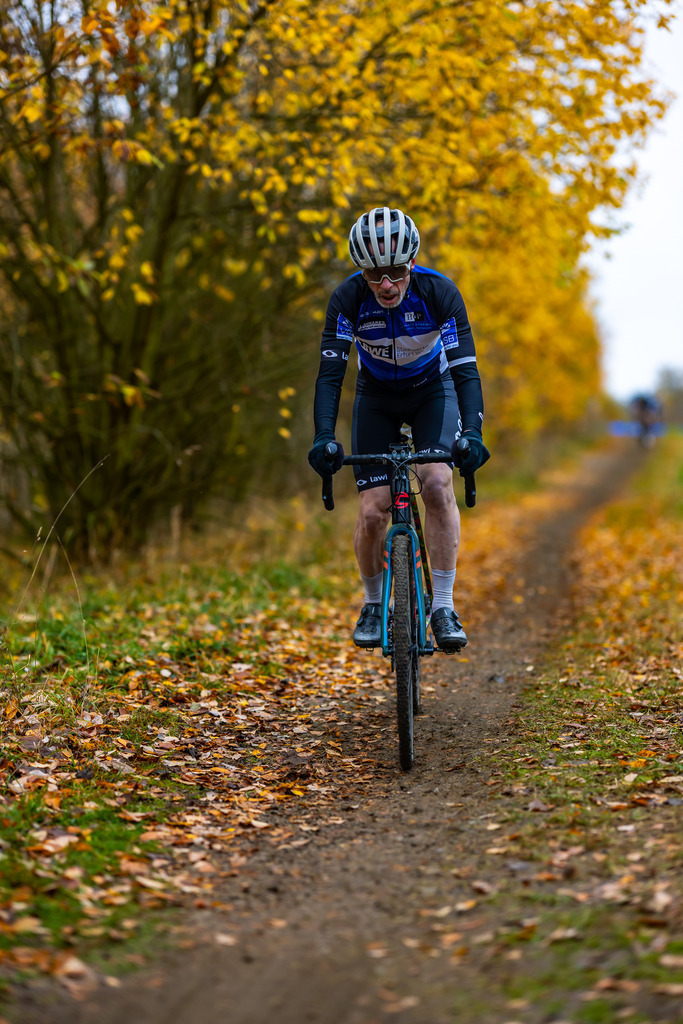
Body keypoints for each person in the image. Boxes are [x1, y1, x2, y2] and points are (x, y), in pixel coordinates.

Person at [308, 207, 489, 651]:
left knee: (437, 481)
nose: (385, 284)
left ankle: (443, 605)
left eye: (394, 271)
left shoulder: (439, 293)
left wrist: (474, 435)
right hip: (376, 396)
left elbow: (465, 370)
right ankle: (373, 603)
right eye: (373, 274)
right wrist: (323, 438)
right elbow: (331, 376)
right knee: (373, 510)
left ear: (410, 264)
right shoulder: (347, 300)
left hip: (433, 391)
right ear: (362, 272)